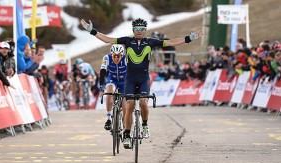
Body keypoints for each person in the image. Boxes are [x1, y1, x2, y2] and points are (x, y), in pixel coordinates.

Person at [81, 17, 203, 149]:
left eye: (142, 29)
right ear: (133, 30)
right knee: (130, 105)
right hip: (130, 78)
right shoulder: (127, 41)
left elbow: (171, 42)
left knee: (144, 102)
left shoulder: (151, 42)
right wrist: (91, 31)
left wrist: (189, 38)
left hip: (144, 77)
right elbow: (108, 40)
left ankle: (144, 125)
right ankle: (127, 135)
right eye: (137, 29)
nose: (139, 31)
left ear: (145, 30)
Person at [99, 44, 127, 130]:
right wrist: (101, 87)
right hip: (112, 79)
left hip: (124, 81)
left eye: (118, 56)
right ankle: (108, 119)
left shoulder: (126, 59)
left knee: (125, 102)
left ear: (122, 55)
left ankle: (125, 122)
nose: (116, 58)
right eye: (114, 56)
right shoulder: (107, 58)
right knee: (109, 91)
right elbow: (103, 72)